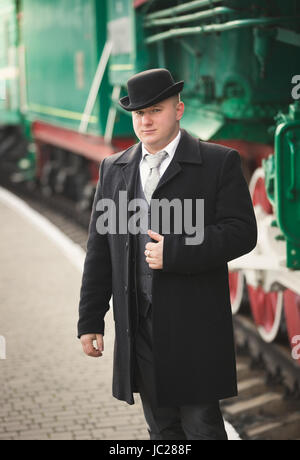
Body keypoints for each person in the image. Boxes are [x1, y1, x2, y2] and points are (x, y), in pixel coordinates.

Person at [77, 68, 257, 440]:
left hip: (195, 327)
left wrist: (176, 252)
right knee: (162, 431)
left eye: (155, 110)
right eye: (138, 113)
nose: (145, 120)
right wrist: (90, 318)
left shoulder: (218, 162)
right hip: (138, 325)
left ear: (179, 109)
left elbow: (243, 233)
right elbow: (100, 249)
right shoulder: (115, 168)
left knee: (202, 428)